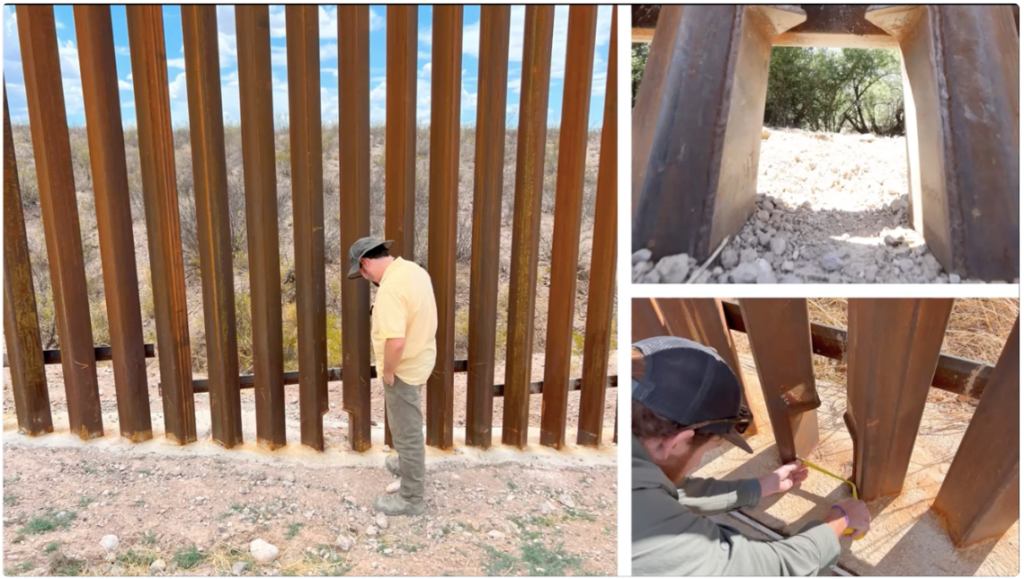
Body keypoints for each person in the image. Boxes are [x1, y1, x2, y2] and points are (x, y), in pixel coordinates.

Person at [631, 336, 871, 576]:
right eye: (706, 451)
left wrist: (760, 487)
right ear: (676, 444)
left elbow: (671, 493)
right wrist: (840, 521)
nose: (697, 463)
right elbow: (773, 568)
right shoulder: (660, 543)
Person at [348, 237, 437, 517]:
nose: (365, 278)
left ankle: (411, 498)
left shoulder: (390, 290)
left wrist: (388, 372)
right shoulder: (413, 271)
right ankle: (405, 465)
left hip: (403, 369)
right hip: (420, 358)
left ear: (364, 262)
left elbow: (395, 342)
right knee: (405, 424)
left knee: (406, 431)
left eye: (361, 273)